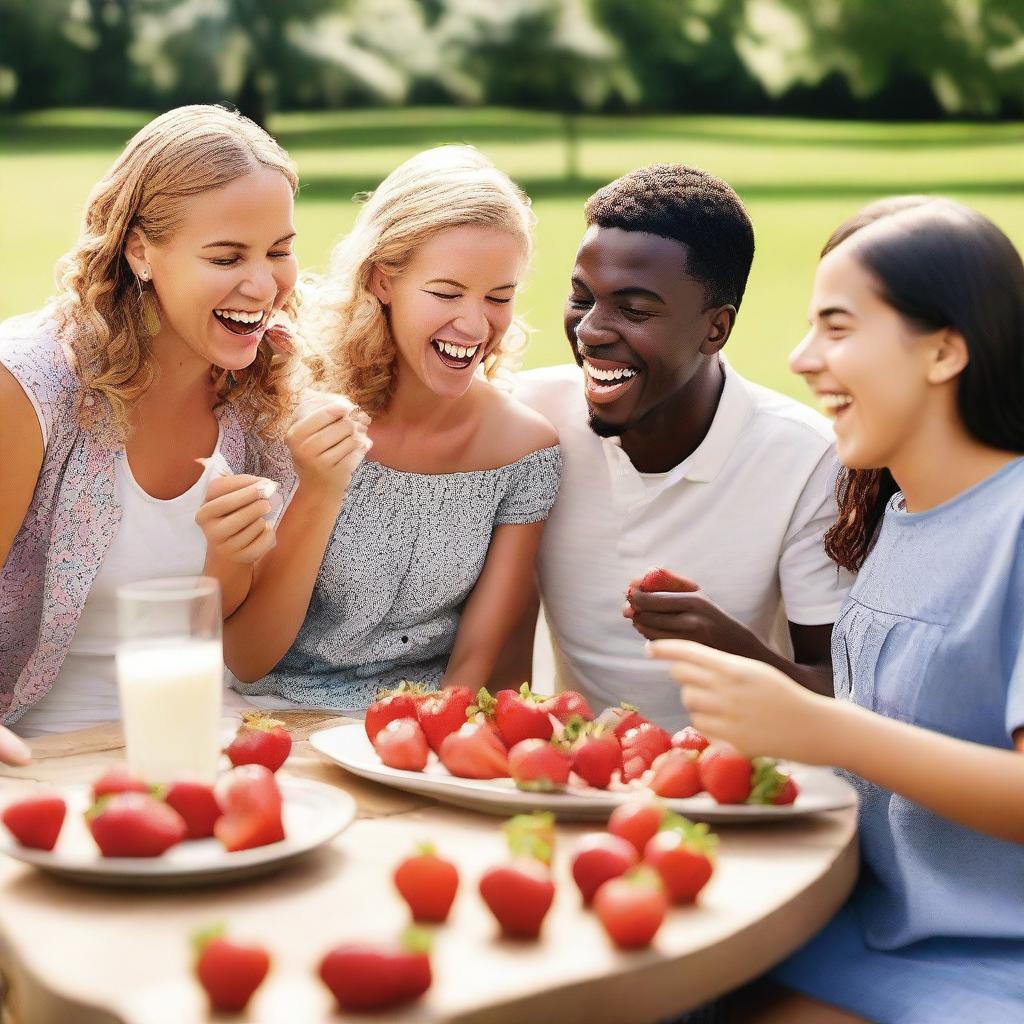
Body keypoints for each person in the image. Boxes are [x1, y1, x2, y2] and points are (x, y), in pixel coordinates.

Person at [651, 197, 1024, 1023]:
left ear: (944, 350)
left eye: (839, 328)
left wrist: (824, 730)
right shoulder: (902, 515)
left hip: (976, 966)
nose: (799, 357)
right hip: (835, 920)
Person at [0, 104, 330, 738]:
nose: (263, 285)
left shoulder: (268, 391)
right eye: (227, 257)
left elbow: (247, 656)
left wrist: (240, 552)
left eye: (279, 251)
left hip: (205, 730)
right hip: (40, 747)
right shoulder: (30, 388)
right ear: (142, 252)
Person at [510, 164, 849, 730]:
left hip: (732, 787)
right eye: (581, 298)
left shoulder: (808, 459)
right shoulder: (529, 417)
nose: (591, 330)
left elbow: (841, 693)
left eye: (634, 309)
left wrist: (727, 645)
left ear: (715, 329)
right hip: (574, 774)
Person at [223, 146, 561, 712]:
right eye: (447, 293)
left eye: (499, 297)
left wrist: (419, 750)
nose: (476, 324)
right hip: (271, 716)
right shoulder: (291, 411)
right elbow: (249, 656)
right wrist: (319, 485)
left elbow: (479, 655)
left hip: (423, 731)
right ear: (383, 281)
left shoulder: (525, 451)